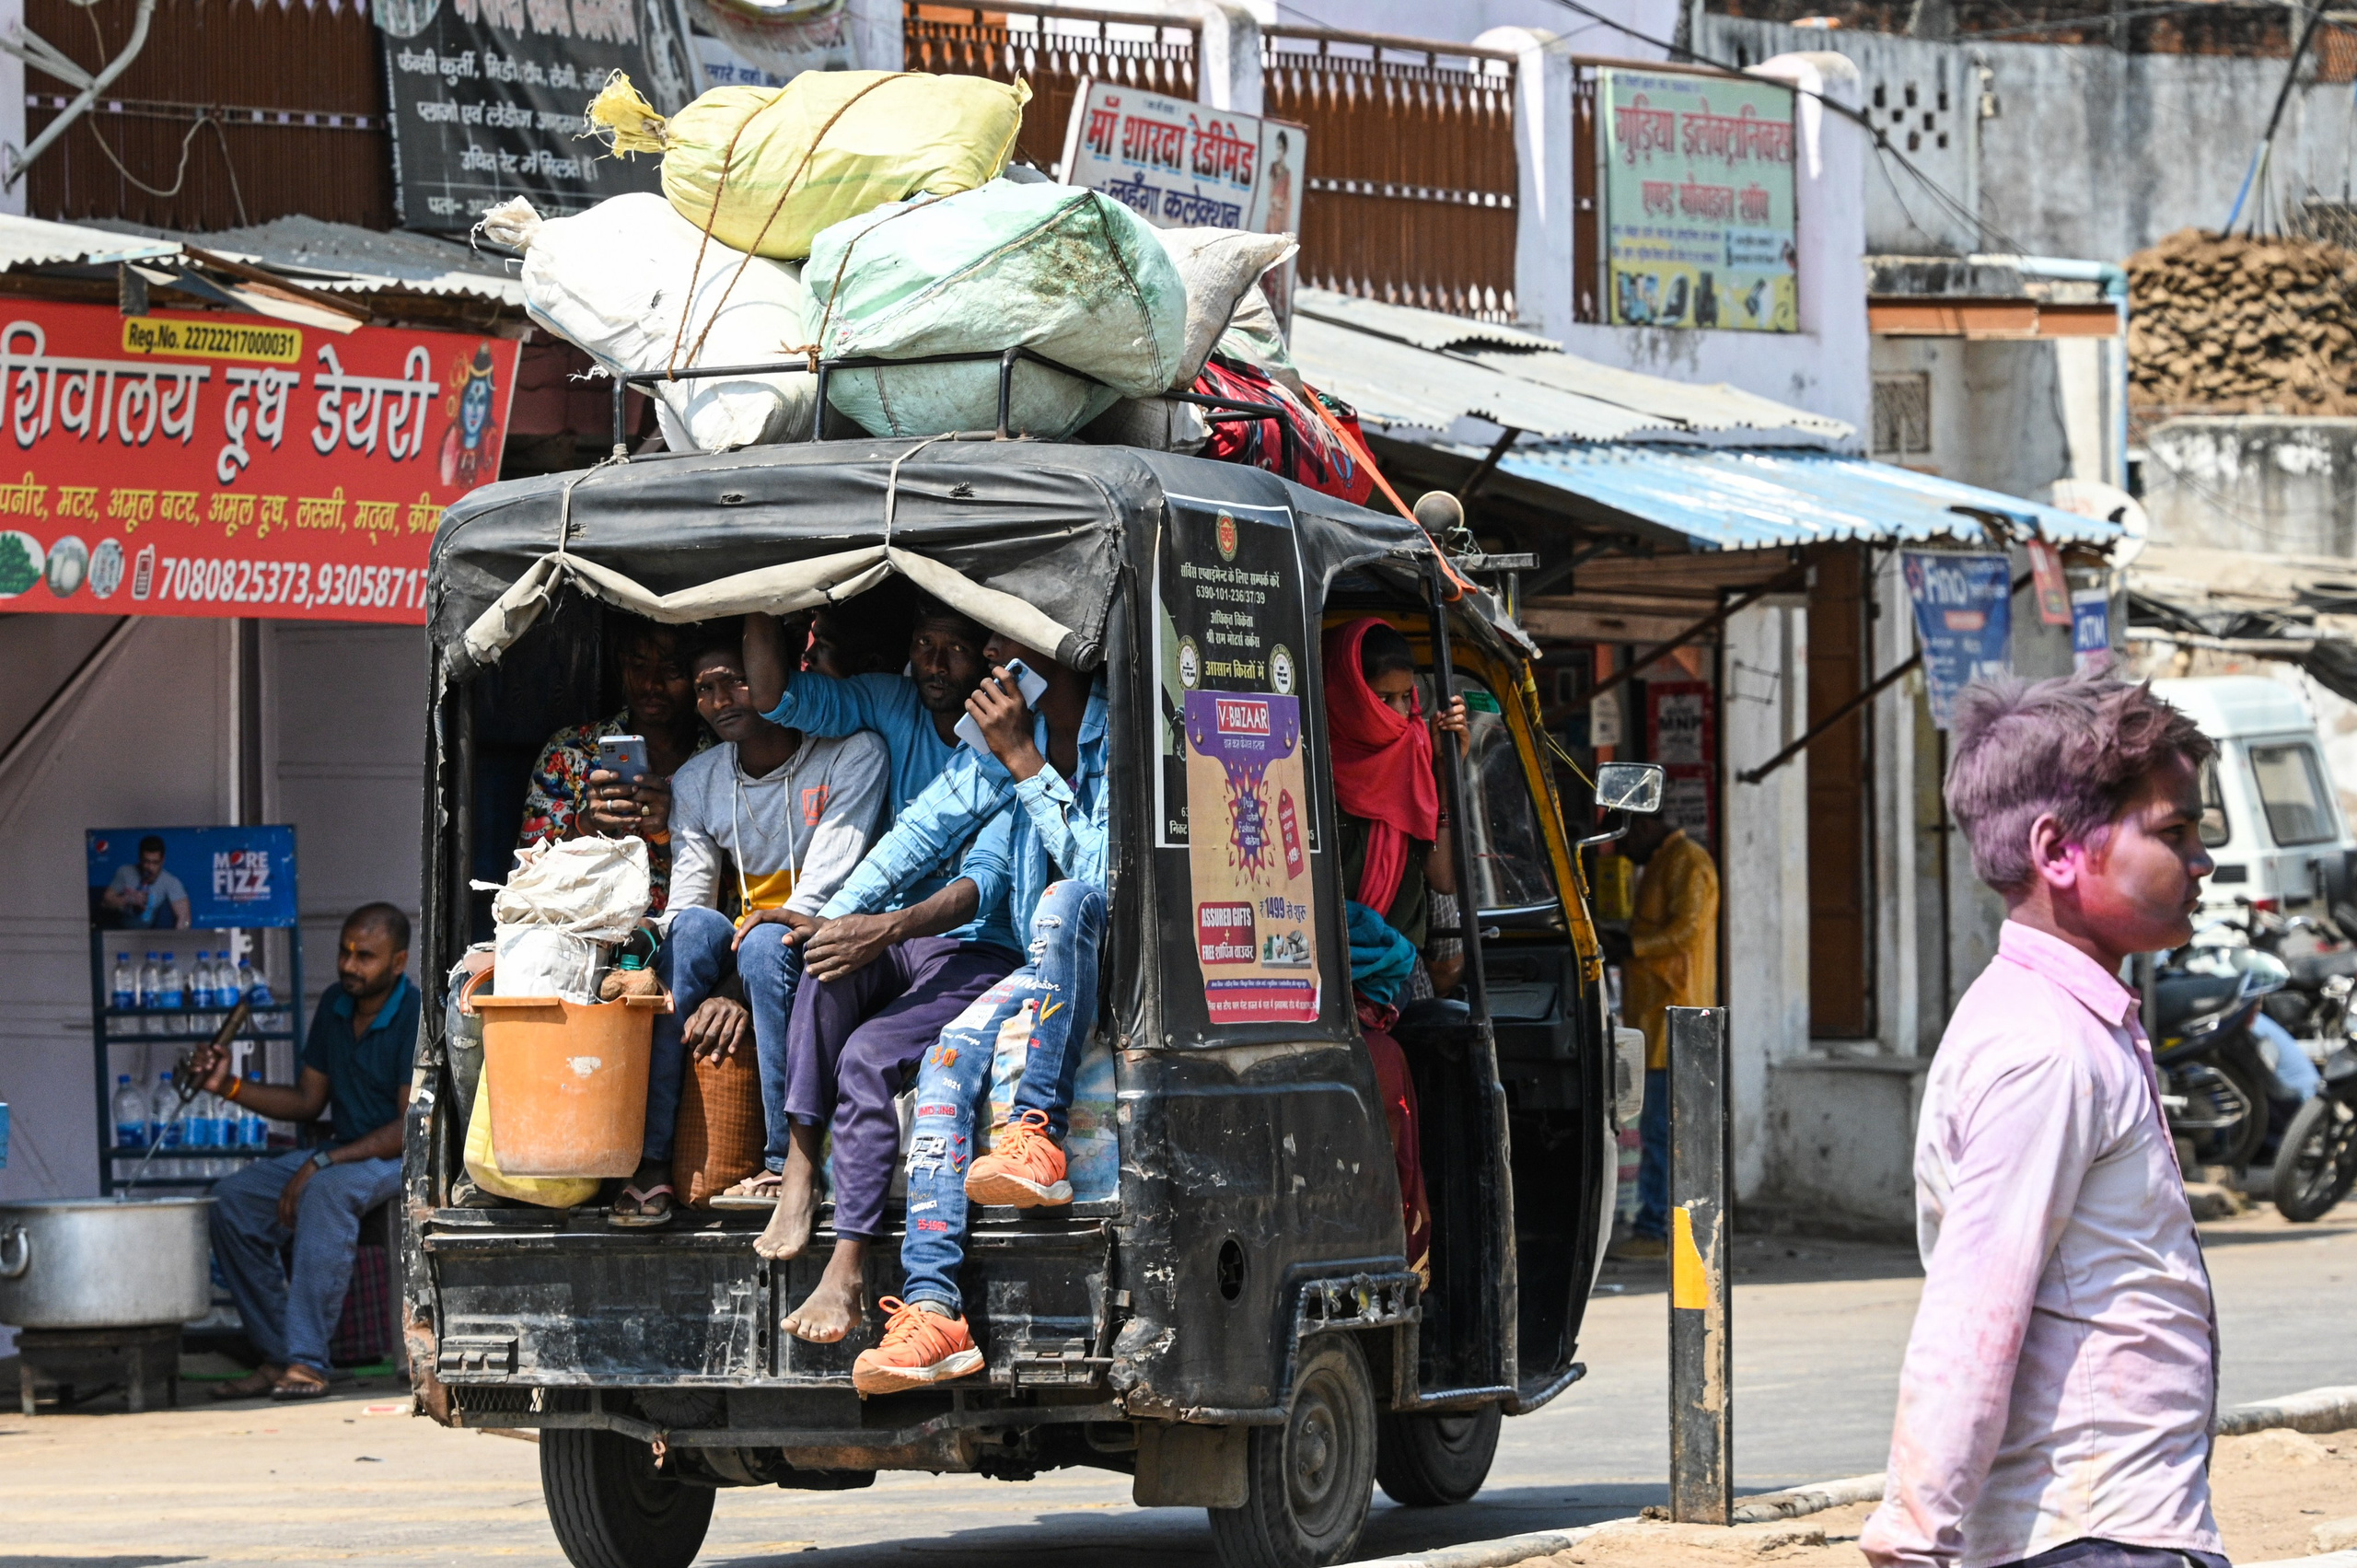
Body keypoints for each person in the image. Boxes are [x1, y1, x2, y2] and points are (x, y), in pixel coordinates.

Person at [1861, 676, 2222, 1568]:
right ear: (2058, 850)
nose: (2202, 860)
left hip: (2113, 1526)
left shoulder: (2072, 1022)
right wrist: (1911, 1538)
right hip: (2093, 1535)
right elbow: (1973, 1312)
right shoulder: (2045, 1050)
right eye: (2174, 832)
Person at [847, 633, 1109, 1396]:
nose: (990, 656)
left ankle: (1037, 1131)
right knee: (946, 1055)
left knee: (1065, 898)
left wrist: (1025, 759)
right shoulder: (1010, 737)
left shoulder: (1119, 730)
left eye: (1004, 640)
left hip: (1127, 968)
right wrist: (831, 919)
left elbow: (1104, 881)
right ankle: (934, 1308)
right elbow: (923, 830)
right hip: (1037, 969)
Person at [613, 630, 888, 1226]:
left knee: (765, 943)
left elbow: (821, 896)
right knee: (691, 932)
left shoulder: (851, 753)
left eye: (736, 681)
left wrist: (734, 989)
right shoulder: (698, 778)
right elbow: (688, 901)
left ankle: (784, 1163)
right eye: (705, 689)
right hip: (748, 944)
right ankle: (652, 1158)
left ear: (776, 678)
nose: (720, 700)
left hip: (826, 939)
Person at [195, 904, 422, 1401]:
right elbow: (306, 1101)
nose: (349, 965)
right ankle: (280, 1354)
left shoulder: (416, 1015)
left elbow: (408, 1129)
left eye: (365, 956)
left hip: (397, 1161)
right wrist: (228, 1086)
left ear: (398, 962)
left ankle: (308, 1362)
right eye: (344, 952)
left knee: (325, 1191)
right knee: (231, 1201)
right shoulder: (336, 1005)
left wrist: (323, 1162)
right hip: (341, 1152)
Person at [1323, 618, 1468, 1290]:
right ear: (1347, 692)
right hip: (1321, 974)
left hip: (1392, 977)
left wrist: (1446, 771)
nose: (1394, 711)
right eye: (1380, 697)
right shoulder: (1308, 758)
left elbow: (1442, 877)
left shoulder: (1415, 749)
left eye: (1405, 698)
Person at [517, 617, 711, 914]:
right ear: (622, 664)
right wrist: (586, 825)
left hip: (684, 937)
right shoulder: (569, 753)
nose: (652, 684)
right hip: (584, 934)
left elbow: (735, 892)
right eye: (638, 665)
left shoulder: (719, 762)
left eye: (672, 670)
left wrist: (666, 835)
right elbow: (528, 881)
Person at [1600, 808, 1719, 1262]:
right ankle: (1659, 1224)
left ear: (1645, 826)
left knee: (1662, 1132)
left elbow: (1687, 931)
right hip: (1653, 1021)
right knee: (1659, 1130)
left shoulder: (1688, 861)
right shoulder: (1662, 863)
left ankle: (1658, 1227)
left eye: (1624, 838)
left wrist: (1630, 947)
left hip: (1677, 1018)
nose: (1622, 850)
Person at [103, 835, 190, 929]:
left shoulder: (171, 882)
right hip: (119, 930)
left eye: (155, 862)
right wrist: (128, 899)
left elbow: (184, 918)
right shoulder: (125, 872)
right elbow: (105, 903)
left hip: (148, 934)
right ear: (140, 858)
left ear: (163, 860)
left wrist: (177, 937)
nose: (150, 868)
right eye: (146, 861)